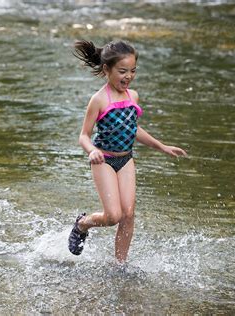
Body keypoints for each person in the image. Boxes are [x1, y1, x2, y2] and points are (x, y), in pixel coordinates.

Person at [68, 40, 187, 263]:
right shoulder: (99, 100)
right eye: (122, 71)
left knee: (128, 214)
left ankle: (120, 265)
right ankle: (82, 224)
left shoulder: (133, 96)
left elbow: (133, 129)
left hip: (126, 161)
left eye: (133, 71)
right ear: (107, 70)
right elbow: (84, 135)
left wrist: (161, 146)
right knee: (113, 216)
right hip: (103, 161)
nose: (128, 76)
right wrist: (92, 151)